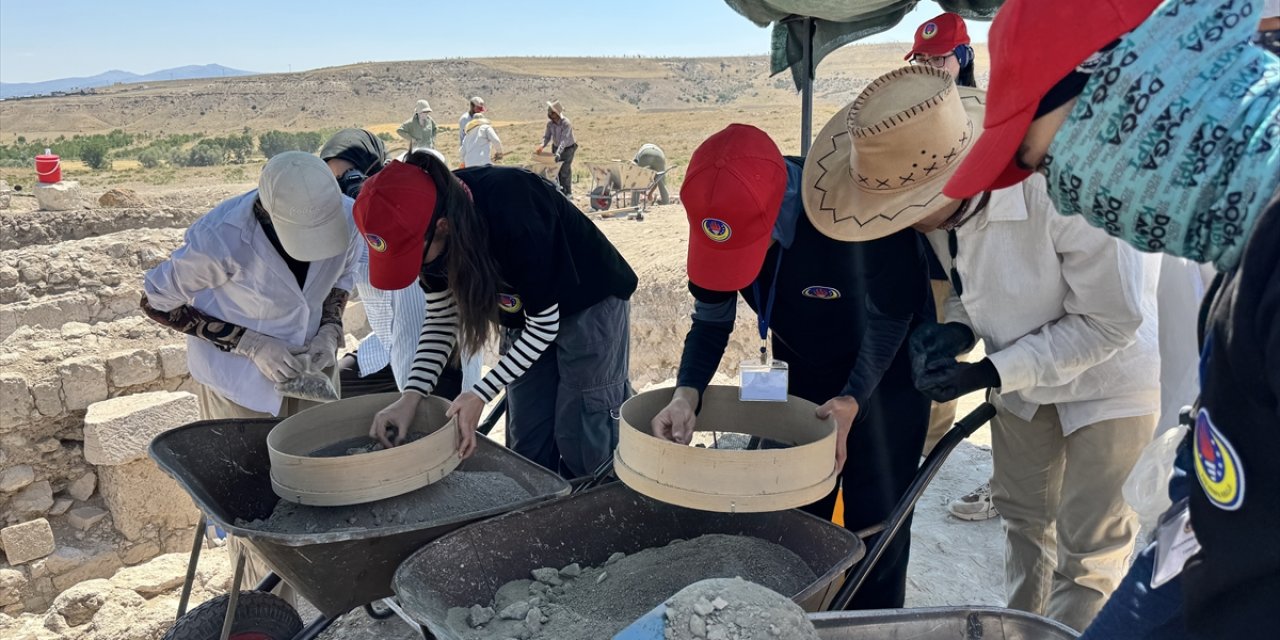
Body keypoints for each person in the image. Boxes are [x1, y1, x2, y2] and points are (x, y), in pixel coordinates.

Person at [943, 0, 1280, 636]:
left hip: (1104, 385)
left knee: (1087, 549)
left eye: (1051, 160)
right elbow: (1215, 520)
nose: (1068, 192)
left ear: (1133, 88)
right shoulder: (1244, 268)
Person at [652, 86, 945, 607]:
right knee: (798, 512)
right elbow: (711, 317)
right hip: (807, 362)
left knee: (873, 520)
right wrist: (686, 392)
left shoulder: (854, 209)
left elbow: (890, 318)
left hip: (889, 372)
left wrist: (855, 398)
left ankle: (867, 621)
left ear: (778, 208)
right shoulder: (721, 214)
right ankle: (803, 616)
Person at [903, 149, 1160, 631]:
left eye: (912, 209)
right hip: (1019, 376)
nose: (910, 221)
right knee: (1023, 520)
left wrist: (988, 373)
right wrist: (958, 331)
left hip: (1110, 378)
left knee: (1089, 554)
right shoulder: (935, 210)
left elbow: (1111, 322)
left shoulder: (1072, 191)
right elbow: (973, 284)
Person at [140, 151, 361, 607]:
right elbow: (155, 301)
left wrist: (330, 327)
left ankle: (320, 591)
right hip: (240, 381)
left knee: (321, 480)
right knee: (257, 504)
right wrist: (249, 343)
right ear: (268, 211)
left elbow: (343, 274)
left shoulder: (340, 212)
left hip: (308, 365)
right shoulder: (222, 237)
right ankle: (268, 608)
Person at [354, 153, 638, 478]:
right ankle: (543, 508)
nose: (416, 268)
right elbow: (442, 319)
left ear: (443, 227)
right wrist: (411, 397)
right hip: (524, 313)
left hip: (588, 301)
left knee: (583, 431)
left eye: (411, 256)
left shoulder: (513, 210)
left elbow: (544, 325)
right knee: (528, 436)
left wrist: (479, 393)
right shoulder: (429, 233)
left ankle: (598, 507)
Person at [901, 16, 990, 522]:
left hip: (978, 254)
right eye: (925, 58)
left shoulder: (984, 121)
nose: (934, 66)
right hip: (931, 255)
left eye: (942, 57)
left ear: (964, 56)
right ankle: (927, 449)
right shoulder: (910, 114)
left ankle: (939, 453)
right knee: (937, 337)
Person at [319, 131, 483, 399]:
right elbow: (345, 279)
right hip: (386, 347)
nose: (345, 188)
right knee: (334, 391)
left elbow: (438, 314)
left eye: (350, 177)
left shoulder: (410, 210)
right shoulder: (351, 222)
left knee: (435, 418)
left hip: (438, 347)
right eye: (335, 181)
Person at [536, 100, 577, 196]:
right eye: (548, 112)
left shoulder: (566, 123)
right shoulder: (550, 124)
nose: (549, 114)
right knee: (555, 169)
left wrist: (558, 153)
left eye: (551, 112)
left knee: (564, 170)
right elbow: (547, 137)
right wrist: (542, 146)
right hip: (555, 147)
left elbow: (564, 140)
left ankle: (567, 192)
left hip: (568, 148)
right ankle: (559, 191)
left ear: (556, 113)